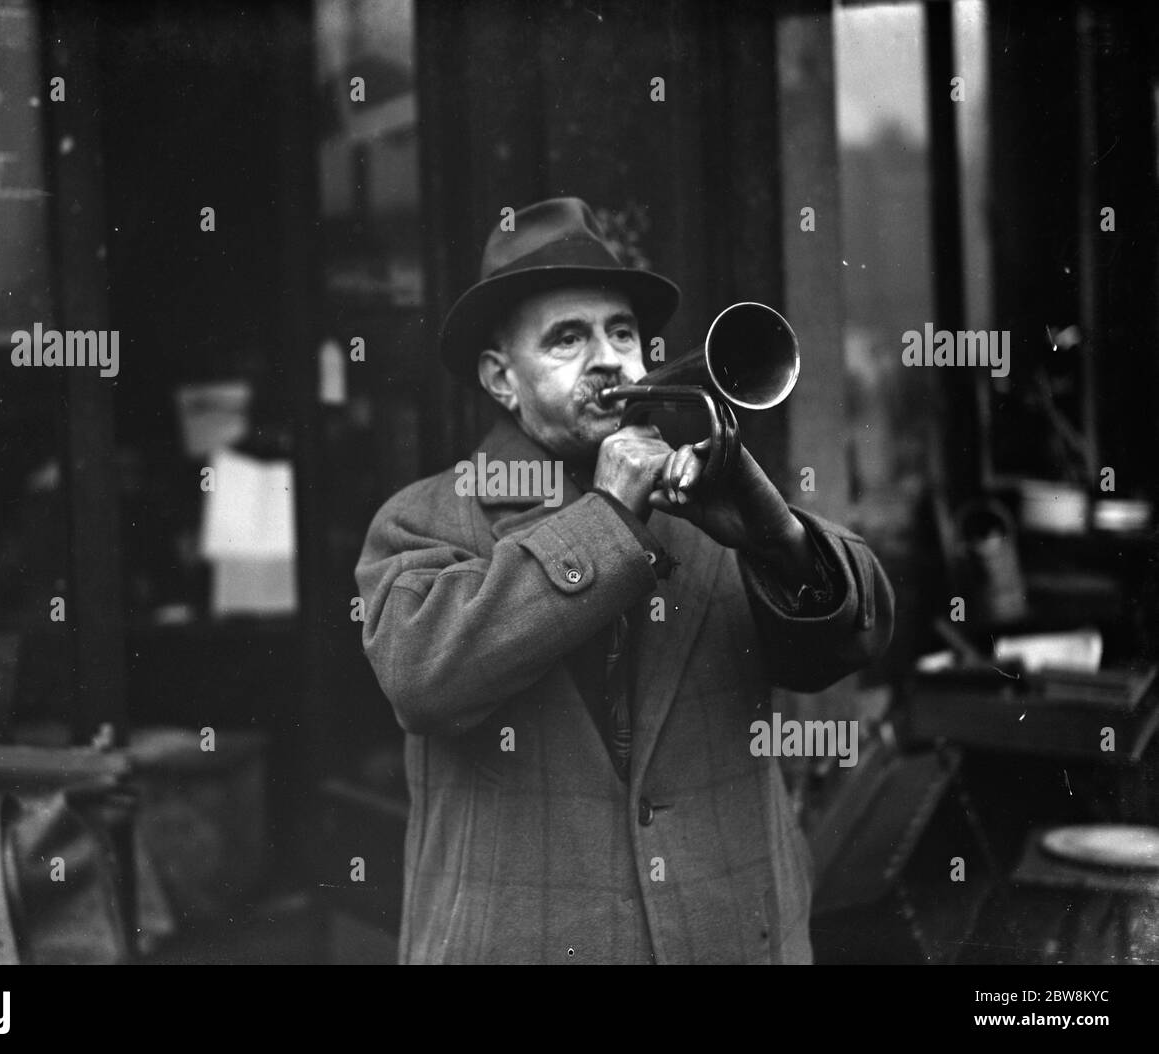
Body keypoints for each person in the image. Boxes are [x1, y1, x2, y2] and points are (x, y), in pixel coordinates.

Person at [355, 197, 894, 963]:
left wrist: (774, 535)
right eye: (568, 339)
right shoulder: (421, 519)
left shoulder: (705, 497)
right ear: (501, 378)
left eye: (623, 334)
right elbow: (423, 677)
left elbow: (855, 637)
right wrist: (609, 516)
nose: (608, 359)